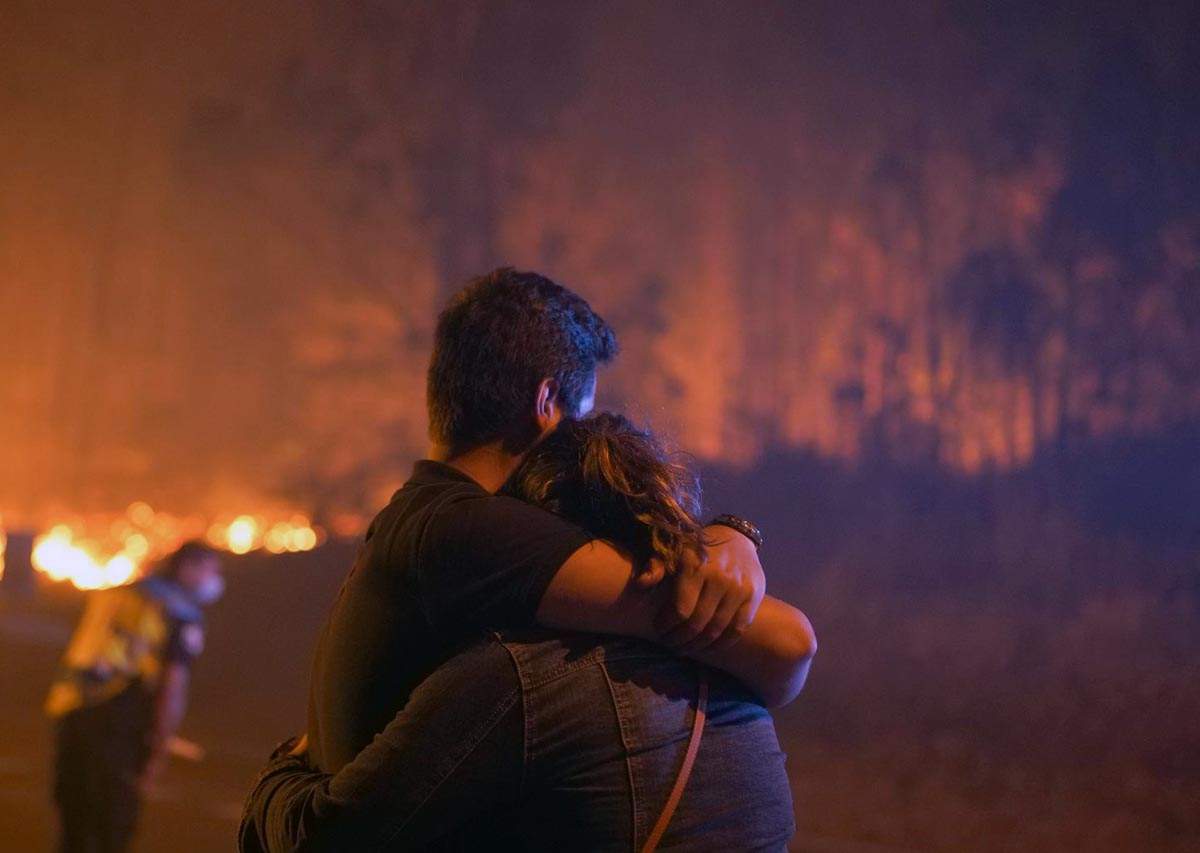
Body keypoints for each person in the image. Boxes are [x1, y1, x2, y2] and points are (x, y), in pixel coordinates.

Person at [240, 414, 814, 850]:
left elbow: (329, 837)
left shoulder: (520, 680)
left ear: (539, 526)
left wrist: (286, 767)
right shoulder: (734, 670)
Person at [45, 540, 224, 853]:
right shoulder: (179, 614)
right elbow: (172, 686)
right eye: (210, 571)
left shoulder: (119, 593)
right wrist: (159, 745)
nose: (214, 581)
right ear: (186, 568)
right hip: (119, 720)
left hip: (71, 707)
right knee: (111, 825)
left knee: (73, 818)